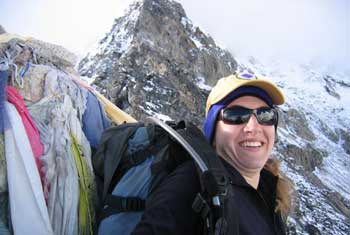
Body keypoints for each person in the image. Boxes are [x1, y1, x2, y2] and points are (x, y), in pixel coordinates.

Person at [132, 73, 293, 235]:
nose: (253, 127)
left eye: (265, 115)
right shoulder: (193, 184)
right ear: (213, 132)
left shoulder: (269, 188)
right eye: (236, 115)